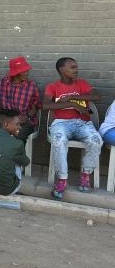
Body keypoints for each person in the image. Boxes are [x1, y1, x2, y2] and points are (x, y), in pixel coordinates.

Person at [43, 57, 102, 198]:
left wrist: (71, 98)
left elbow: (96, 96)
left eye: (76, 67)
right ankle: (62, 179)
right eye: (72, 67)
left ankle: (85, 175)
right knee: (58, 139)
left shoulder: (82, 83)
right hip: (61, 123)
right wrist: (74, 105)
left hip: (83, 123)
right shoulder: (53, 87)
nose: (77, 70)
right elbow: (45, 105)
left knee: (96, 140)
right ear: (62, 70)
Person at [0, 56, 41, 142]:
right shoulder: (2, 83)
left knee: (16, 136)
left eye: (27, 70)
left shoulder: (31, 86)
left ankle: (15, 155)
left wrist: (28, 117)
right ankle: (1, 155)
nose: (27, 73)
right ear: (15, 73)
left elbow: (36, 106)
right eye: (23, 71)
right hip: (6, 120)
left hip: (23, 122)